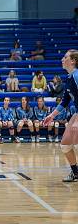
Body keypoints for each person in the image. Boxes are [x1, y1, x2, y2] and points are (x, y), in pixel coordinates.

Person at [44, 50, 78, 182]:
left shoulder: (77, 75)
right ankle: (75, 172)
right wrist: (51, 116)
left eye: (65, 57)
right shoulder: (69, 78)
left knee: (76, 142)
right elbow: (65, 101)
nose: (62, 59)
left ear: (73, 61)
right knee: (65, 144)